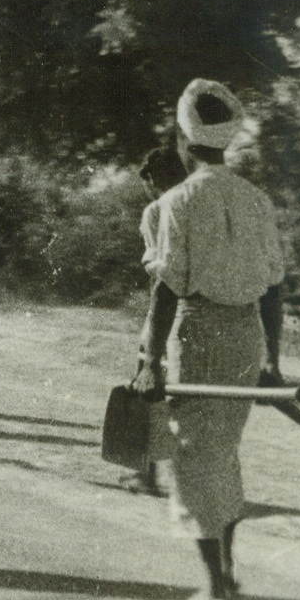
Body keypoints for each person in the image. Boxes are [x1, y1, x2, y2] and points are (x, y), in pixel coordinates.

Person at [132, 79, 285, 600]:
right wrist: (272, 359)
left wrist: (151, 361)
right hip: (246, 335)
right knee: (221, 453)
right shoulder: (256, 198)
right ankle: (228, 575)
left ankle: (217, 588)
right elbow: (274, 286)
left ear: (182, 136)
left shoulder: (177, 201)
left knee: (195, 459)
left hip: (198, 331)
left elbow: (167, 287)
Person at [121, 144, 190, 497]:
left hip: (169, 308)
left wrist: (152, 326)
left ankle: (146, 474)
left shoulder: (157, 211)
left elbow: (161, 280)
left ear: (154, 180)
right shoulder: (199, 202)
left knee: (146, 382)